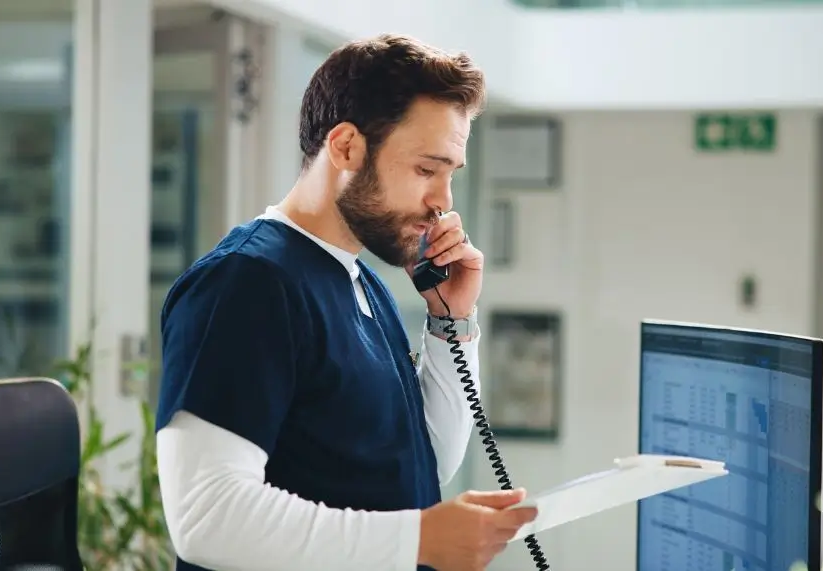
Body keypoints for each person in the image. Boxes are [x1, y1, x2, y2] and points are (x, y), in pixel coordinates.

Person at [155, 33, 538, 571]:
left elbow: (423, 464)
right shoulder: (246, 283)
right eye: (427, 170)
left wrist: (450, 321)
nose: (442, 203)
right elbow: (205, 518)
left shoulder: (360, 279)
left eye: (450, 175)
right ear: (346, 147)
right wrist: (418, 540)